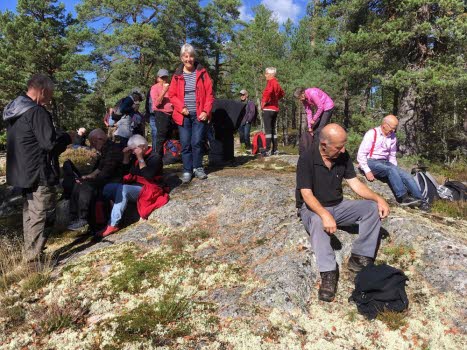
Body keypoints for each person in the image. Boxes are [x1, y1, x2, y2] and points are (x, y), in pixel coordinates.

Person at [296, 124, 389, 302]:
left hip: (338, 205)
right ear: (324, 144)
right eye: (338, 147)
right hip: (312, 208)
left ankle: (360, 257)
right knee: (317, 221)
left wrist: (378, 199)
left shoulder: (342, 156)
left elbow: (355, 183)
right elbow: (306, 194)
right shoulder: (307, 158)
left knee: (371, 208)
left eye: (343, 145)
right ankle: (328, 273)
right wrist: (324, 214)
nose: (343, 150)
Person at [3, 74, 71, 262]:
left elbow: (30, 139)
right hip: (39, 172)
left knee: (30, 214)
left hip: (23, 171)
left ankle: (30, 253)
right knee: (43, 213)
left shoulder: (15, 111)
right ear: (42, 90)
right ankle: (34, 261)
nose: (50, 98)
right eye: (50, 93)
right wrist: (67, 138)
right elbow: (49, 145)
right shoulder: (37, 112)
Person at [357, 115, 429, 211]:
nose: (394, 131)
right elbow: (361, 154)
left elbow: (392, 155)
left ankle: (421, 202)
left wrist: (397, 171)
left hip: (385, 162)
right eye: (393, 128)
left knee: (406, 176)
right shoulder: (372, 134)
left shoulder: (392, 137)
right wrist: (366, 170)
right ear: (385, 125)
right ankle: (403, 198)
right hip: (371, 161)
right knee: (390, 170)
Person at [100, 135, 168, 237]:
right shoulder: (133, 156)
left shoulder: (155, 157)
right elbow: (124, 173)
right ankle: (103, 219)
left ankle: (113, 224)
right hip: (135, 186)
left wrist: (140, 158)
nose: (132, 152)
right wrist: (126, 157)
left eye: (133, 149)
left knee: (123, 189)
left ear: (143, 147)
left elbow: (148, 175)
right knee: (107, 188)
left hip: (149, 188)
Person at [168, 43, 214, 183]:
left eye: (191, 56)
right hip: (183, 115)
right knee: (185, 143)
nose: (189, 59)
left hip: (199, 113)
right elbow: (172, 95)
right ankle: (187, 169)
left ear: (194, 57)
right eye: (186, 56)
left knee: (197, 142)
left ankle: (198, 167)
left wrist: (206, 111)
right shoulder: (177, 75)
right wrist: (181, 107)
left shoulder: (202, 73)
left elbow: (210, 94)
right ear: (182, 58)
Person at [67, 129, 123, 231]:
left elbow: (107, 172)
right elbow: (100, 168)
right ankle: (74, 217)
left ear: (100, 139)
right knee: (78, 183)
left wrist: (91, 179)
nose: (92, 145)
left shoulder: (113, 149)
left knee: (86, 186)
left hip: (114, 180)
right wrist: (89, 176)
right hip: (106, 177)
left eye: (93, 142)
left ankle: (82, 218)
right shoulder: (105, 149)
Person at [150, 68, 173, 157]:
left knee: (169, 136)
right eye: (162, 77)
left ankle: (169, 156)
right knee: (161, 136)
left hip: (172, 114)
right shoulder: (154, 88)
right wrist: (164, 91)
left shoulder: (171, 87)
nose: (164, 80)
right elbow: (156, 104)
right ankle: (157, 157)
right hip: (161, 114)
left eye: (166, 77)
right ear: (158, 78)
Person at [261, 67, 284, 156]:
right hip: (275, 109)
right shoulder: (277, 83)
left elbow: (269, 92)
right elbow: (282, 93)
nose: (265, 75)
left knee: (268, 130)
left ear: (271, 75)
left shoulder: (271, 82)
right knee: (273, 130)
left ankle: (267, 150)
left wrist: (264, 102)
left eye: (266, 73)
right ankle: (275, 150)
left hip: (268, 109)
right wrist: (275, 100)